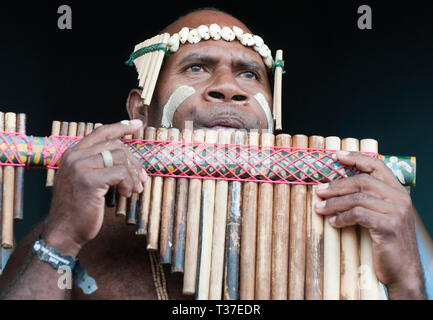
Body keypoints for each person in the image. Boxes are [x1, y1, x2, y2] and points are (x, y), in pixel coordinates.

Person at [0, 8, 430, 300]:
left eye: (249, 73)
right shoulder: (73, 243)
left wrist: (408, 284)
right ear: (140, 111)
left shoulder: (361, 225)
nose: (230, 87)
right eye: (198, 67)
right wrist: (60, 241)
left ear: (272, 118)